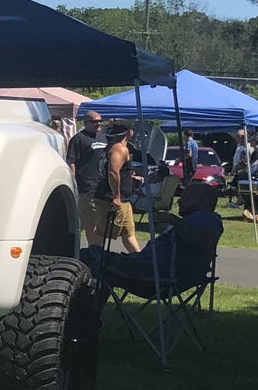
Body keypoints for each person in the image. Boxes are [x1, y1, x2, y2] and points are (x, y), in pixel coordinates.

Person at [89, 180, 224, 291]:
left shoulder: (207, 218)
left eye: (186, 198)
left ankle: (85, 316)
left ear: (203, 202)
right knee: (101, 266)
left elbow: (200, 238)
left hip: (154, 276)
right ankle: (90, 314)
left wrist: (173, 220)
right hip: (154, 272)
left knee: (91, 256)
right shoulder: (196, 219)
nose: (179, 202)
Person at [85, 124, 139, 252]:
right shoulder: (119, 149)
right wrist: (116, 197)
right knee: (103, 232)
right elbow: (113, 172)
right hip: (111, 199)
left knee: (128, 233)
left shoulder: (117, 147)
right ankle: (96, 258)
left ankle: (140, 260)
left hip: (124, 199)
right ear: (129, 133)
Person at [70, 112, 112, 243]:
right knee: (90, 221)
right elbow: (71, 161)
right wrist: (73, 182)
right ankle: (94, 251)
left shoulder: (104, 137)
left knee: (100, 221)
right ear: (85, 123)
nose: (98, 124)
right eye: (94, 122)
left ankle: (97, 250)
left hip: (102, 186)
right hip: (87, 186)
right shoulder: (79, 139)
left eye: (100, 121)